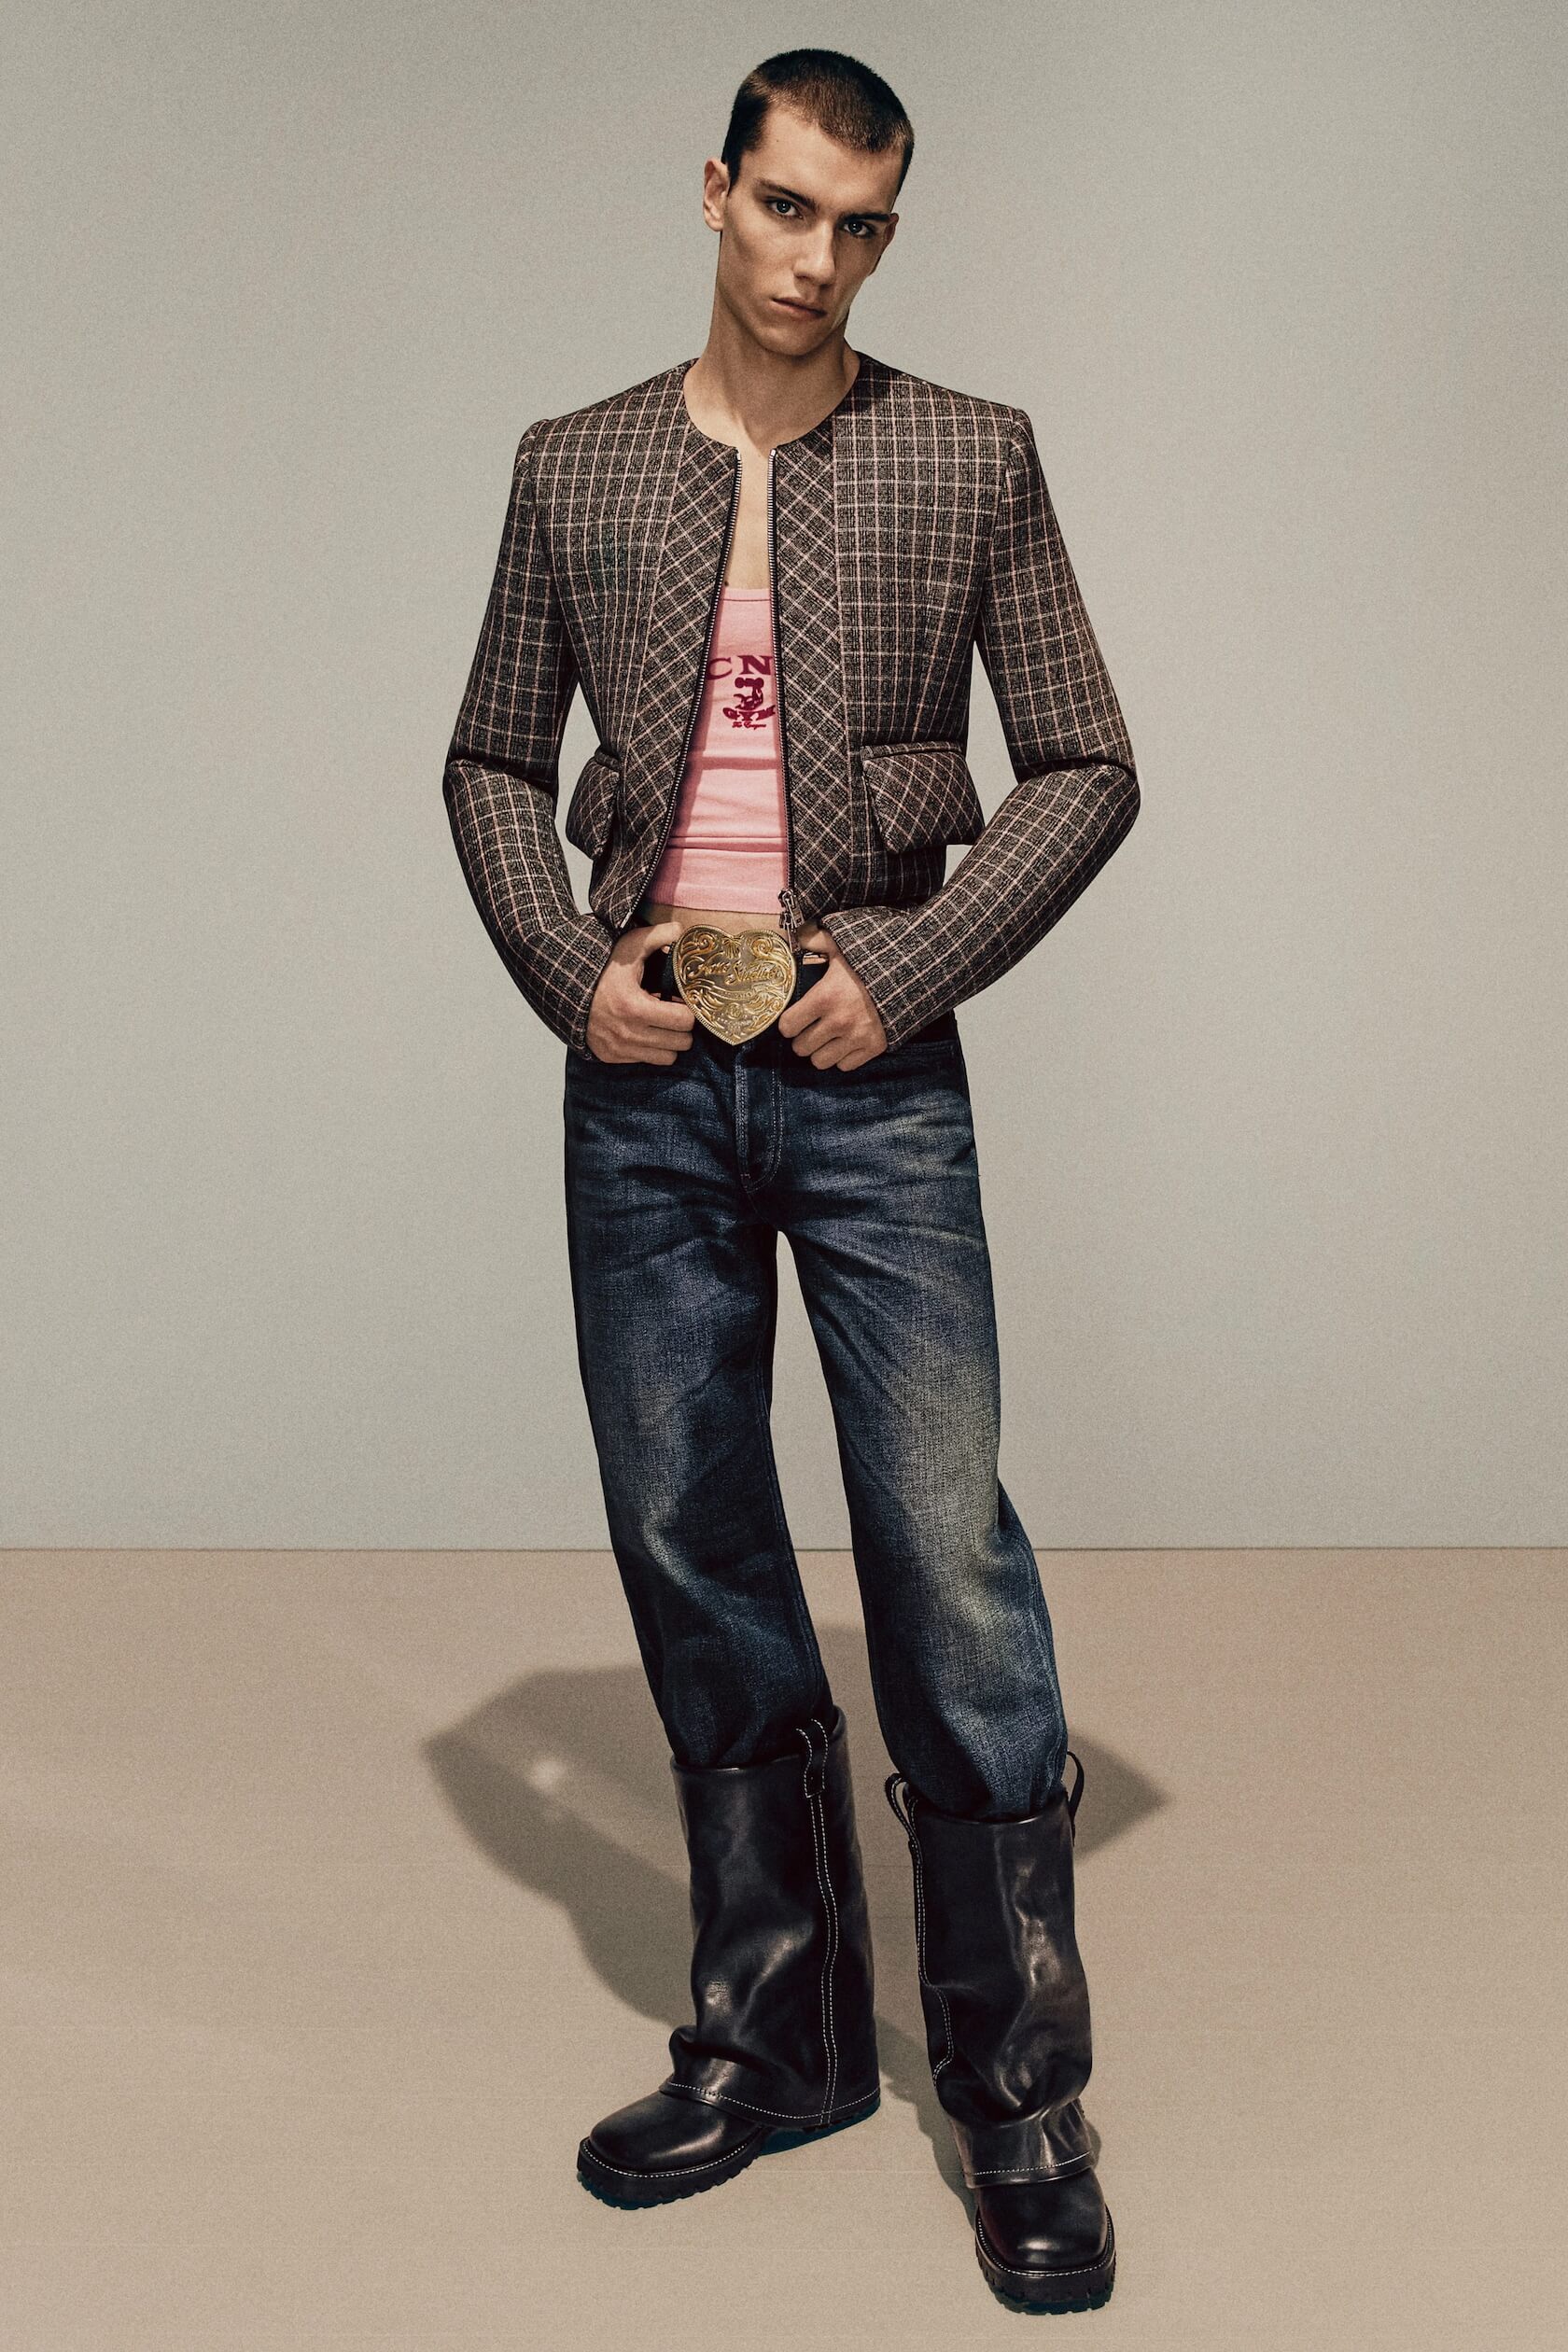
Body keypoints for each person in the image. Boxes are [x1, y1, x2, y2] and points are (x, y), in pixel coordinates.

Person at [442, 47, 1139, 2314]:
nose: (816, 259)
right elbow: (487, 756)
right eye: (784, 207)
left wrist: (907, 965)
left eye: (859, 224)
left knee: (943, 1553)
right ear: (716, 191)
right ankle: (782, 2039)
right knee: (690, 1539)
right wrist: (571, 973)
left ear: (885, 234)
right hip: (648, 1080)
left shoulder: (969, 453)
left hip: (871, 1077)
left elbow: (1087, 761)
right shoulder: (573, 466)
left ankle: (1018, 2101)